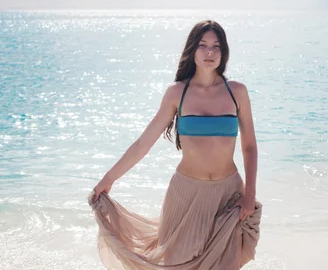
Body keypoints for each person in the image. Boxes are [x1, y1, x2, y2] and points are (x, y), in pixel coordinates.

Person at [88, 20, 262, 269]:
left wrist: (250, 194)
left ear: (224, 52)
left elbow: (250, 147)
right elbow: (142, 144)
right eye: (203, 45)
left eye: (216, 46)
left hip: (228, 194)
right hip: (185, 194)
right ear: (192, 50)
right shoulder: (176, 93)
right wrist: (108, 179)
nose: (209, 52)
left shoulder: (237, 91)